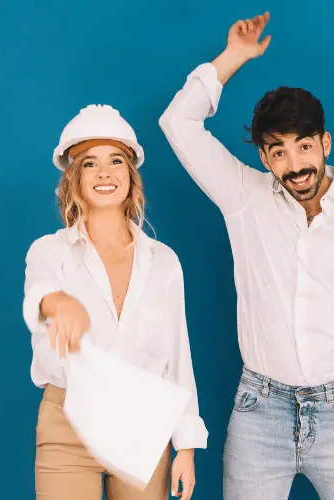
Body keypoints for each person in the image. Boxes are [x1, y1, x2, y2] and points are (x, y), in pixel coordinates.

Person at [158, 12, 334, 500]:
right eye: (277, 152)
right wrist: (234, 56)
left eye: (303, 147)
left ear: (325, 143)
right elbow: (178, 122)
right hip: (260, 409)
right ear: (263, 157)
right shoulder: (244, 197)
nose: (294, 165)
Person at [22, 104, 207, 500]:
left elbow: (178, 356)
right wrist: (58, 303)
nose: (105, 173)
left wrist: (186, 444)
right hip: (67, 424)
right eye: (90, 163)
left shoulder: (164, 262)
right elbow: (39, 295)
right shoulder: (49, 251)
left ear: (130, 175)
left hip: (142, 422)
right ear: (74, 179)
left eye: (116, 161)